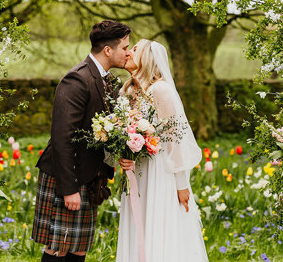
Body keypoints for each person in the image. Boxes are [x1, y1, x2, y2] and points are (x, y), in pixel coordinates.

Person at [32, 20, 132, 262]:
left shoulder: (107, 80)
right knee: (59, 248)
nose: (129, 52)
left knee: (79, 249)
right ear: (108, 50)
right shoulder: (77, 80)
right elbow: (62, 138)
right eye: (125, 47)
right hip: (67, 177)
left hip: (89, 176)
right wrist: (69, 189)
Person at [116, 39, 208, 262]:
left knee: (160, 226)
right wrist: (123, 156)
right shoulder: (127, 91)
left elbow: (176, 140)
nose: (128, 53)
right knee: (139, 228)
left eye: (134, 49)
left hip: (160, 173)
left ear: (147, 57)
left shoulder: (161, 90)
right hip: (137, 173)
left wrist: (181, 184)